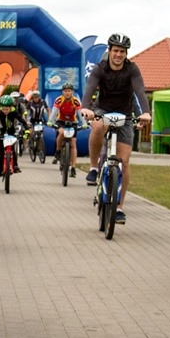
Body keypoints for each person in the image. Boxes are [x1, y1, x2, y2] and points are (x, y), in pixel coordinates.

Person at [80, 35, 151, 223]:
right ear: (109, 51)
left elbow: (140, 91)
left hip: (125, 114)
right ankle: (94, 167)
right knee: (97, 126)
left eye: (122, 51)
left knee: (124, 163)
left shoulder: (132, 69)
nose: (118, 54)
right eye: (115, 51)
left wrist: (145, 112)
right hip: (102, 109)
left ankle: (119, 207)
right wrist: (86, 107)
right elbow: (89, 88)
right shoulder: (100, 68)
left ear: (126, 54)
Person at [47, 82, 84, 177]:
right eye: (65, 91)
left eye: (69, 91)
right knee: (61, 132)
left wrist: (84, 123)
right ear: (62, 92)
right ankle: (58, 151)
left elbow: (80, 114)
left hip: (73, 122)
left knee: (73, 144)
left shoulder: (75, 101)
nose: (67, 93)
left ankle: (73, 167)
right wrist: (50, 121)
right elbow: (54, 112)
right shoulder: (59, 100)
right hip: (61, 121)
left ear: (72, 92)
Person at [0, 94, 29, 176]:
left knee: (12, 149)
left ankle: (15, 165)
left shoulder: (15, 113)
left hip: (12, 132)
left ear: (11, 107)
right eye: (3, 109)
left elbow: (23, 122)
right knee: (1, 151)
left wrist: (27, 131)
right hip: (2, 132)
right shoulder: (0, 113)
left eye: (7, 109)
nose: (5, 111)